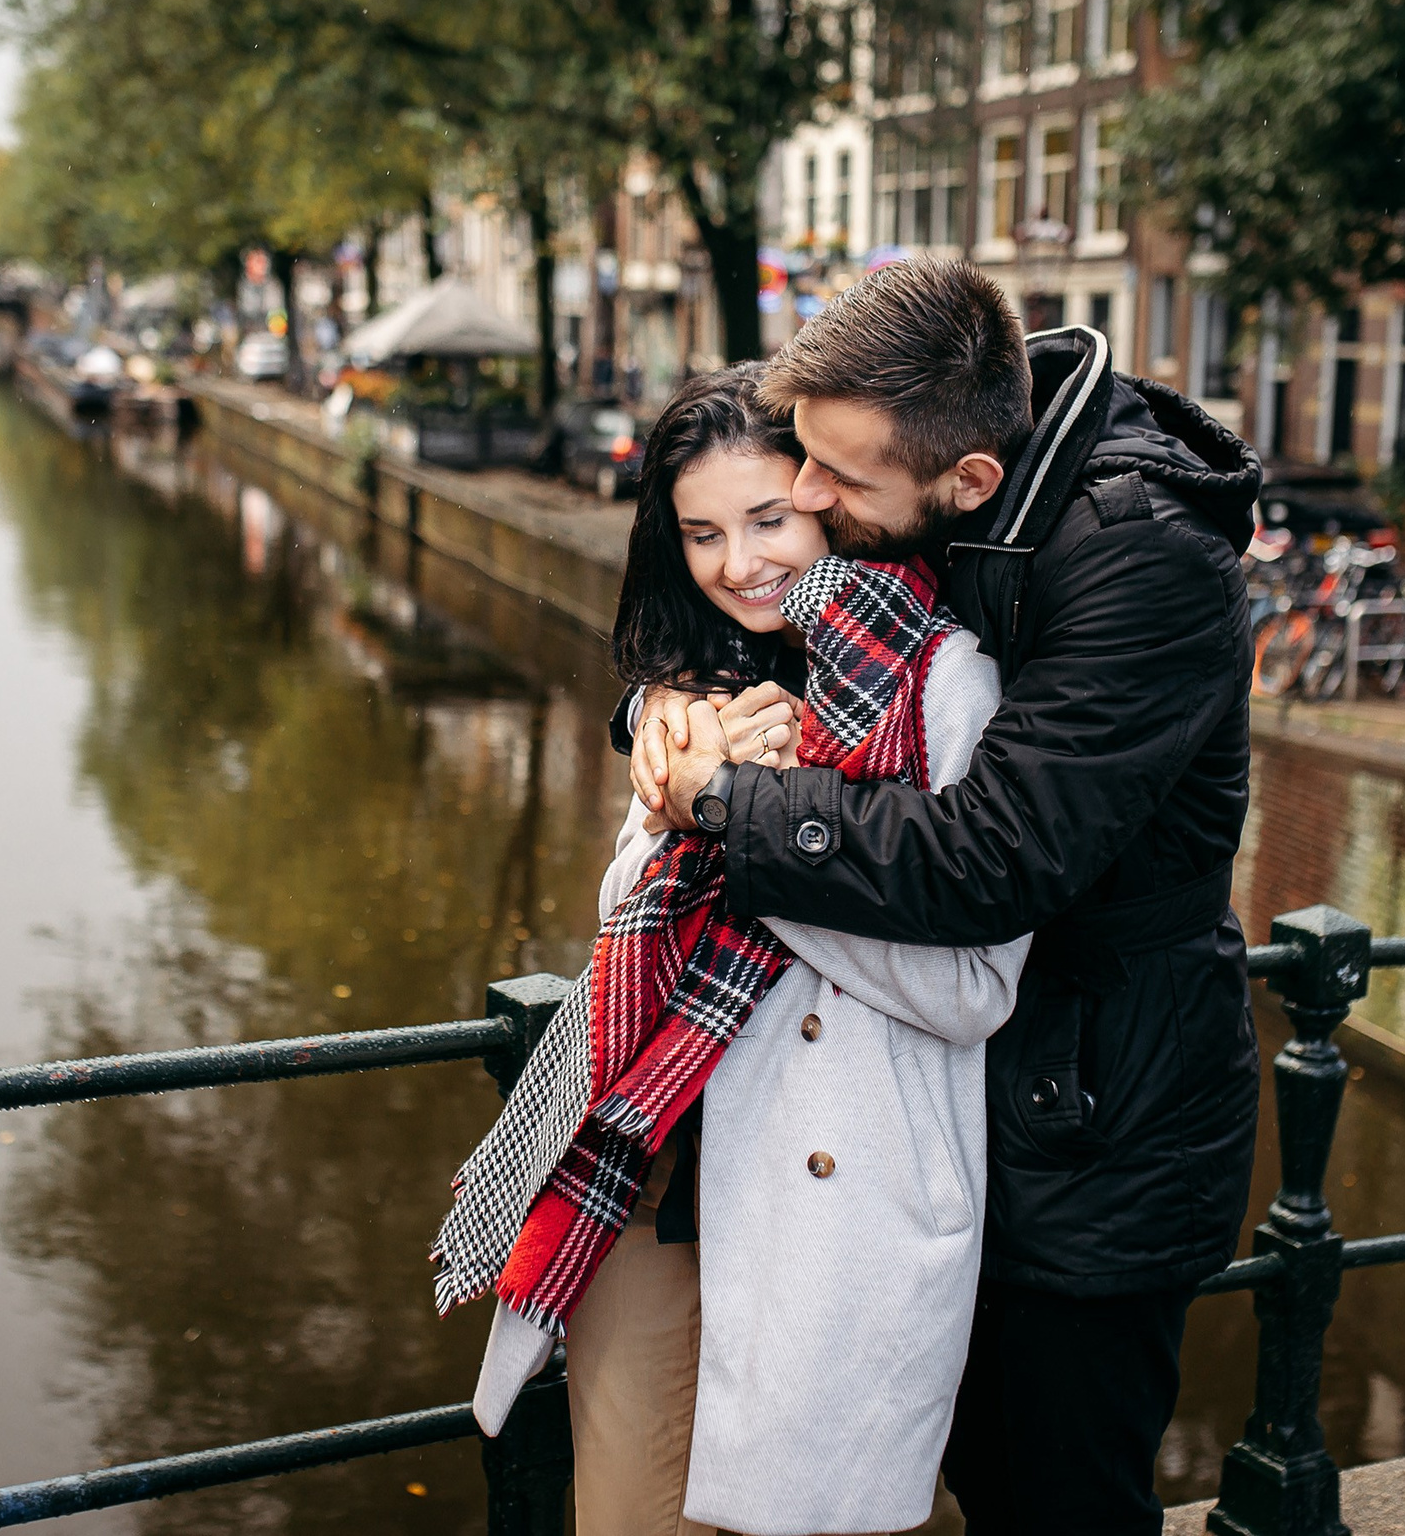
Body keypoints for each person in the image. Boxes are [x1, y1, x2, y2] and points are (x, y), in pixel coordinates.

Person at [638, 261, 1263, 1535]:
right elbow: (796, 642)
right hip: (972, 1109)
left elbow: (993, 855)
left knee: (1059, 1499)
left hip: (1096, 1119)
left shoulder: (1141, 560)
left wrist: (721, 805)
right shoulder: (961, 444)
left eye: (835, 482)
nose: (804, 498)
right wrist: (659, 708)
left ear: (965, 485)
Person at [433, 363, 1031, 1536]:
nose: (740, 562)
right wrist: (673, 810)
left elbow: (974, 988)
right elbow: (621, 909)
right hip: (650, 1171)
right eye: (702, 532)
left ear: (825, 495)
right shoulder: (694, 688)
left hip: (836, 1203)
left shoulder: (945, 682)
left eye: (768, 518)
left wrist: (756, 827)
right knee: (627, 1512)